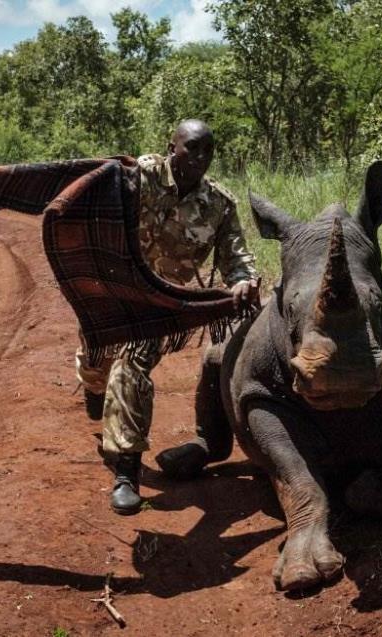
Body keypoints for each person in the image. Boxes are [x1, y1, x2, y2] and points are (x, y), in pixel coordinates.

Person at [75, 119, 260, 515]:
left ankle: (126, 470)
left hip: (159, 305)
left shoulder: (219, 205)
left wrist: (244, 281)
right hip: (112, 291)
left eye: (208, 150)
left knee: (132, 366)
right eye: (191, 147)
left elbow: (237, 259)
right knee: (96, 360)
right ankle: (93, 387)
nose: (200, 157)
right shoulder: (136, 178)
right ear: (170, 145)